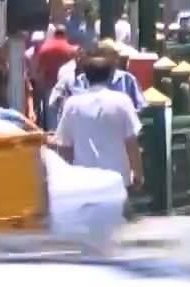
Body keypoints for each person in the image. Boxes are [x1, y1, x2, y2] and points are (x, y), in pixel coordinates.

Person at [53, 50, 144, 190]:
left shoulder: (72, 104)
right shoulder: (122, 101)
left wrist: (66, 177)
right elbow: (131, 142)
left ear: (85, 76)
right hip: (117, 180)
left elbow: (65, 146)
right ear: (110, 75)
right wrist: (137, 172)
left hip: (84, 181)